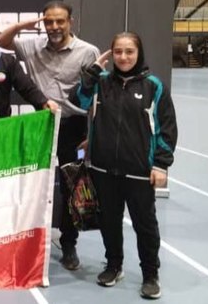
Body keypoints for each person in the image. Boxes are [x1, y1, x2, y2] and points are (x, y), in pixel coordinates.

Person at [69, 32, 177, 300]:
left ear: (139, 53)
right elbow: (77, 100)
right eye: (118, 51)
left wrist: (161, 165)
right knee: (109, 222)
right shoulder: (101, 82)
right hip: (103, 169)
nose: (123, 57)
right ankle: (114, 265)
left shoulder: (154, 86)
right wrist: (93, 72)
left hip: (139, 172)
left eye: (129, 51)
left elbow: (166, 129)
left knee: (145, 225)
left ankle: (150, 274)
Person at [0, 0, 100, 271]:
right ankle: (25, 239)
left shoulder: (88, 51)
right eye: (49, 21)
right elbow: (1, 41)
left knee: (70, 185)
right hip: (41, 123)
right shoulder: (31, 45)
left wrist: (92, 134)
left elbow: (96, 96)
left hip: (73, 127)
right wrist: (23, 25)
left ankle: (68, 243)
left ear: (70, 22)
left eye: (59, 21)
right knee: (31, 183)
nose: (54, 26)